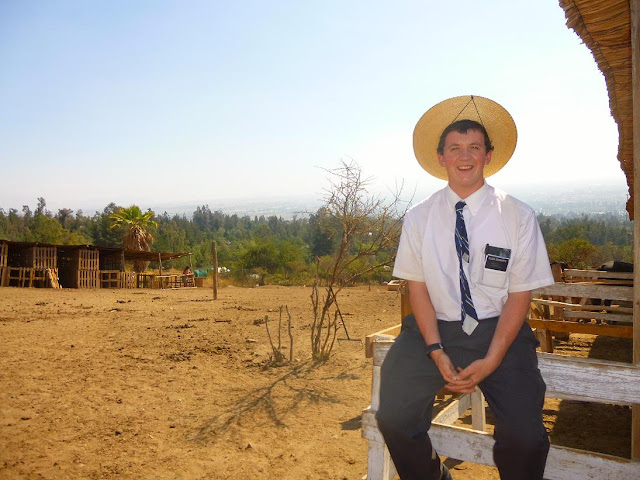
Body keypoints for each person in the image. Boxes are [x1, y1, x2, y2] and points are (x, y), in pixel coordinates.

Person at [375, 95, 555, 480]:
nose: (465, 156)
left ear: (488, 155)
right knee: (393, 417)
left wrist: (492, 360)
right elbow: (417, 289)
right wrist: (435, 349)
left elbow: (520, 294)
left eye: (474, 147)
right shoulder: (418, 218)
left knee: (525, 438)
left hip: (499, 328)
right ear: (441, 157)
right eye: (455, 148)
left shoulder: (518, 216)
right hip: (433, 328)